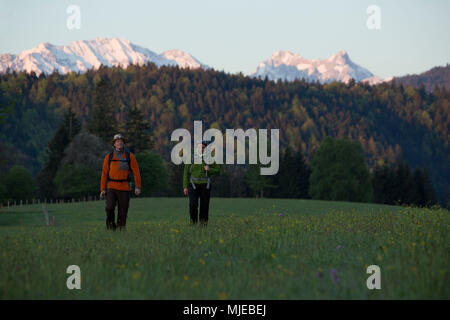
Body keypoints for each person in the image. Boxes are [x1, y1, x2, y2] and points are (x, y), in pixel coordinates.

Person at [100, 134, 141, 231]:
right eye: (117, 141)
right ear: (114, 144)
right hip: (111, 187)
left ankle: (121, 229)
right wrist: (102, 189)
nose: (119, 142)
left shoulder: (129, 156)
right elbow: (104, 174)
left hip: (124, 188)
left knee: (123, 212)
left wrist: (138, 186)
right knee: (109, 208)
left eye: (121, 141)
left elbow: (136, 172)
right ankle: (110, 228)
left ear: (124, 143)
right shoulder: (108, 157)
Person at [183, 140, 220, 226]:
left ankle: (203, 226)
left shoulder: (209, 158)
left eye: (203, 147)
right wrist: (185, 186)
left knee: (204, 207)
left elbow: (218, 170)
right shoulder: (191, 157)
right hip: (193, 185)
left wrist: (209, 169)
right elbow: (185, 172)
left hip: (205, 186)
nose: (201, 149)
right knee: (193, 205)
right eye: (199, 147)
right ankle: (193, 223)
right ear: (197, 148)